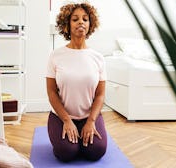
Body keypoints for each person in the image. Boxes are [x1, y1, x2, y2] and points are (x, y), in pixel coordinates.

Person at [46, 2, 107, 162]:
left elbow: (100, 94)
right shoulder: (55, 56)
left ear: (90, 24)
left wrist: (91, 121)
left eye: (85, 19)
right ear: (67, 25)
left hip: (89, 116)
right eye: (75, 19)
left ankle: (82, 139)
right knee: (66, 153)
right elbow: (52, 92)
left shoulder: (98, 58)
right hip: (61, 116)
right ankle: (70, 140)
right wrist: (66, 120)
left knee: (97, 151)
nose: (81, 22)